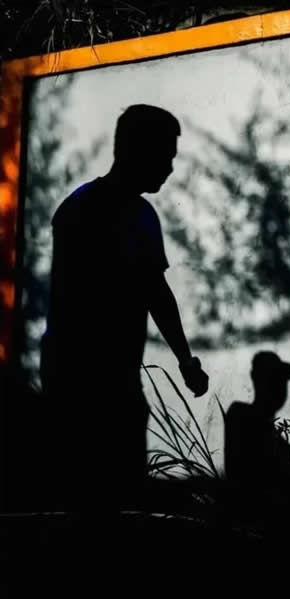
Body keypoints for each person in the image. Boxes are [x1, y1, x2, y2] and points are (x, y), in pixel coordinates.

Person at [40, 104, 209, 510]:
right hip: (79, 376)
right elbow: (73, 303)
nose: (170, 167)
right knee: (82, 490)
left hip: (118, 376)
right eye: (165, 155)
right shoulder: (81, 212)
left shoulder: (143, 215)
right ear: (135, 149)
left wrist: (185, 360)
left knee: (122, 489)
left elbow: (157, 293)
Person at [225, 351, 290, 491]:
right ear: (255, 378)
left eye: (282, 381)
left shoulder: (282, 446)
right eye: (272, 380)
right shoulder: (240, 415)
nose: (279, 387)